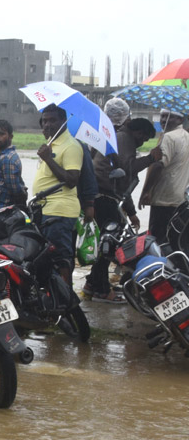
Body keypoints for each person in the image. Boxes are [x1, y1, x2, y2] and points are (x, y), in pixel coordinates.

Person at [85, 99, 158, 301]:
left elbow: (122, 181)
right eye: (142, 137)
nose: (142, 142)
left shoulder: (111, 135)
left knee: (105, 243)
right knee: (108, 246)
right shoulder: (123, 137)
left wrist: (132, 212)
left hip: (105, 196)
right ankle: (100, 290)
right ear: (136, 130)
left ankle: (93, 283)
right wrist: (151, 158)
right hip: (104, 197)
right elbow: (129, 169)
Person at [34, 104, 83, 292]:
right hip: (45, 210)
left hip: (60, 211)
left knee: (60, 256)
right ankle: (51, 294)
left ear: (63, 122)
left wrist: (48, 159)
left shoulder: (71, 146)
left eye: (52, 120)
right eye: (44, 121)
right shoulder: (50, 145)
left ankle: (66, 297)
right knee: (46, 256)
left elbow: (72, 180)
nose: (47, 125)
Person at [139, 108, 189, 247]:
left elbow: (158, 166)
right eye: (162, 116)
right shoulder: (185, 135)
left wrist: (146, 191)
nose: (164, 120)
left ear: (180, 119)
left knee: (157, 241)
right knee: (175, 241)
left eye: (170, 117)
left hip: (163, 199)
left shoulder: (168, 137)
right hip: (180, 200)